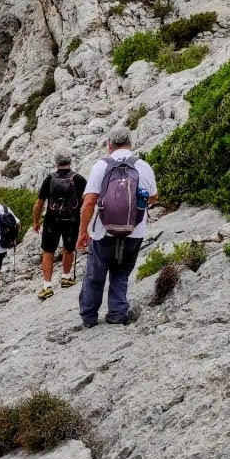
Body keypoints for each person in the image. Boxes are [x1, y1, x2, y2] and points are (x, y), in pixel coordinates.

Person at [76, 131, 158, 328]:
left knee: (95, 274)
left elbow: (89, 202)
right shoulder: (143, 166)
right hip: (134, 231)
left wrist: (82, 232)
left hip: (103, 231)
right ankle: (117, 313)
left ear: (109, 145)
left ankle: (89, 317)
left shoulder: (102, 165)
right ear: (130, 144)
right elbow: (153, 198)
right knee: (121, 273)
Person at [32, 150, 87, 300]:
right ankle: (66, 277)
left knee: (48, 252)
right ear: (70, 161)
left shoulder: (50, 179)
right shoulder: (79, 179)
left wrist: (36, 221)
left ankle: (47, 286)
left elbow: (39, 203)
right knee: (68, 248)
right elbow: (87, 201)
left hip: (52, 220)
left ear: (55, 163)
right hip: (72, 220)